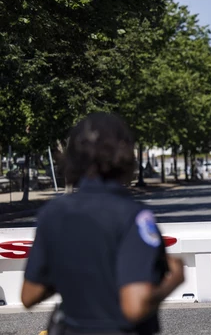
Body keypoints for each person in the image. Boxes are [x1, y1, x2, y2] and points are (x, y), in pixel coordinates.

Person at [21, 112, 185, 334]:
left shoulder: (52, 213)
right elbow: (135, 306)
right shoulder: (133, 216)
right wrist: (175, 278)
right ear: (125, 154)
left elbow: (29, 295)